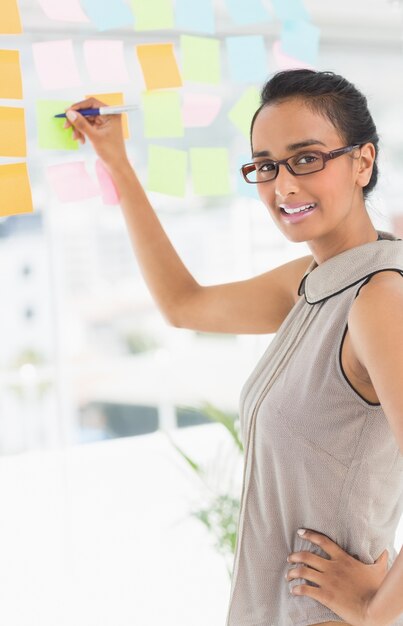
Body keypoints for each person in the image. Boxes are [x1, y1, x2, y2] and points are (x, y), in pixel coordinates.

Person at [64, 69, 403, 626]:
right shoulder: (316, 282)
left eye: (306, 158)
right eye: (266, 165)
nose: (283, 185)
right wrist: (118, 162)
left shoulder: (378, 298)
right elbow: (183, 304)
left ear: (362, 161)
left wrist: (375, 611)